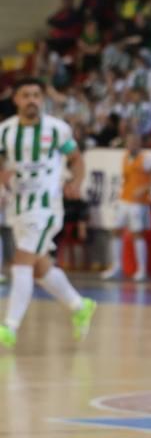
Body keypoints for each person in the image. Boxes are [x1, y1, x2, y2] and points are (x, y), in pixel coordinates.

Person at [0, 78, 97, 350]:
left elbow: (76, 159)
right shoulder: (5, 132)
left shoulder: (57, 129)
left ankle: (9, 327)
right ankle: (79, 305)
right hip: (17, 204)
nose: (32, 100)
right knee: (40, 266)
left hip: (45, 207)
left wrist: (75, 182)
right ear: (16, 100)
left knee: (20, 262)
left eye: (36, 95)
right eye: (26, 95)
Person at [100, 131, 151, 281]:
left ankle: (141, 270)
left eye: (135, 142)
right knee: (116, 231)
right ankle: (117, 267)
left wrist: (145, 188)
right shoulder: (125, 158)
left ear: (139, 143)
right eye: (129, 142)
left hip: (138, 203)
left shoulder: (146, 159)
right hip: (124, 200)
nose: (132, 144)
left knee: (137, 233)